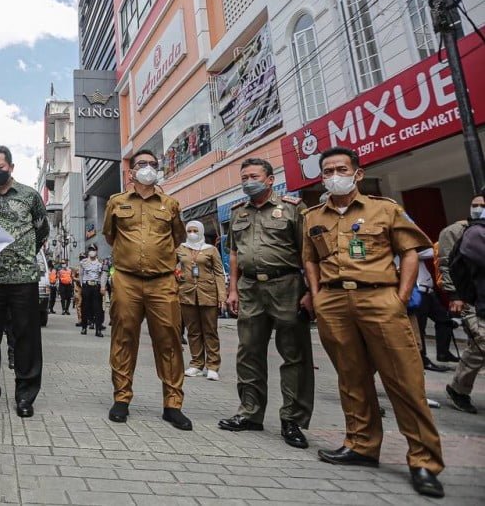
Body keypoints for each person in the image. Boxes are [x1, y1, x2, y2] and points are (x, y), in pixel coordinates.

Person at [302, 147, 444, 498]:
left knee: (404, 381)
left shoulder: (385, 209)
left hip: (379, 297)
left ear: (358, 173)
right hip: (334, 302)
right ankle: (361, 445)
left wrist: (400, 296)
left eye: (341, 169)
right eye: (328, 171)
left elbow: (410, 252)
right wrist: (318, 296)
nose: (335, 175)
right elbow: (310, 261)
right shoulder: (312, 217)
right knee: (352, 378)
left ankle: (423, 461)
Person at [220, 158, 313, 449]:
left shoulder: (293, 208)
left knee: (294, 354)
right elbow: (234, 254)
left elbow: (307, 253)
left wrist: (311, 290)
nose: (248, 181)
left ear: (270, 179)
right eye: (244, 176)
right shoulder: (238, 212)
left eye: (254, 176)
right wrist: (232, 289)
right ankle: (250, 412)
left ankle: (292, 420)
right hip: (249, 287)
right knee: (249, 352)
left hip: (286, 285)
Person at [102, 149, 191, 430]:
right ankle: (122, 399)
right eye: (142, 164)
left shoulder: (170, 204)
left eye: (153, 164)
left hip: (163, 281)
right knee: (123, 337)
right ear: (131, 172)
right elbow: (110, 234)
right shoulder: (116, 202)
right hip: (126, 279)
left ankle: (172, 405)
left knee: (169, 340)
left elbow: (177, 236)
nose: (148, 168)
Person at [0, 145, 49, 418]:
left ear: (11, 167)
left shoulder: (30, 196)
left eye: (0, 167)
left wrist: (22, 253)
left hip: (23, 279)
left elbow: (42, 231)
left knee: (26, 339)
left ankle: (25, 397)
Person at [440, 193, 485, 415]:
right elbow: (448, 264)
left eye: (481, 205)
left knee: (476, 348)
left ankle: (459, 387)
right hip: (473, 300)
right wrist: (455, 295)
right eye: (474, 205)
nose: (478, 209)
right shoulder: (461, 232)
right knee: (480, 344)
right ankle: (459, 389)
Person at [176, 220, 226, 381]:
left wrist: (222, 296)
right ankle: (196, 364)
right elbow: (172, 267)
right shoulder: (181, 249)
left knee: (210, 330)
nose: (192, 233)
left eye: (195, 230)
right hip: (187, 295)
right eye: (189, 230)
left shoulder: (210, 250)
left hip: (208, 294)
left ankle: (212, 365)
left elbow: (219, 273)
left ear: (201, 231)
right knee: (193, 331)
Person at [78, 247, 107, 337]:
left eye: (93, 250)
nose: (92, 252)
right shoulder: (83, 262)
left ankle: (98, 330)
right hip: (87, 286)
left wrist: (102, 286)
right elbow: (81, 274)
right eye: (90, 250)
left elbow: (103, 275)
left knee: (98, 309)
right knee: (85, 307)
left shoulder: (101, 262)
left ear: (96, 251)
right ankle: (84, 327)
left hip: (96, 286)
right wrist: (83, 285)